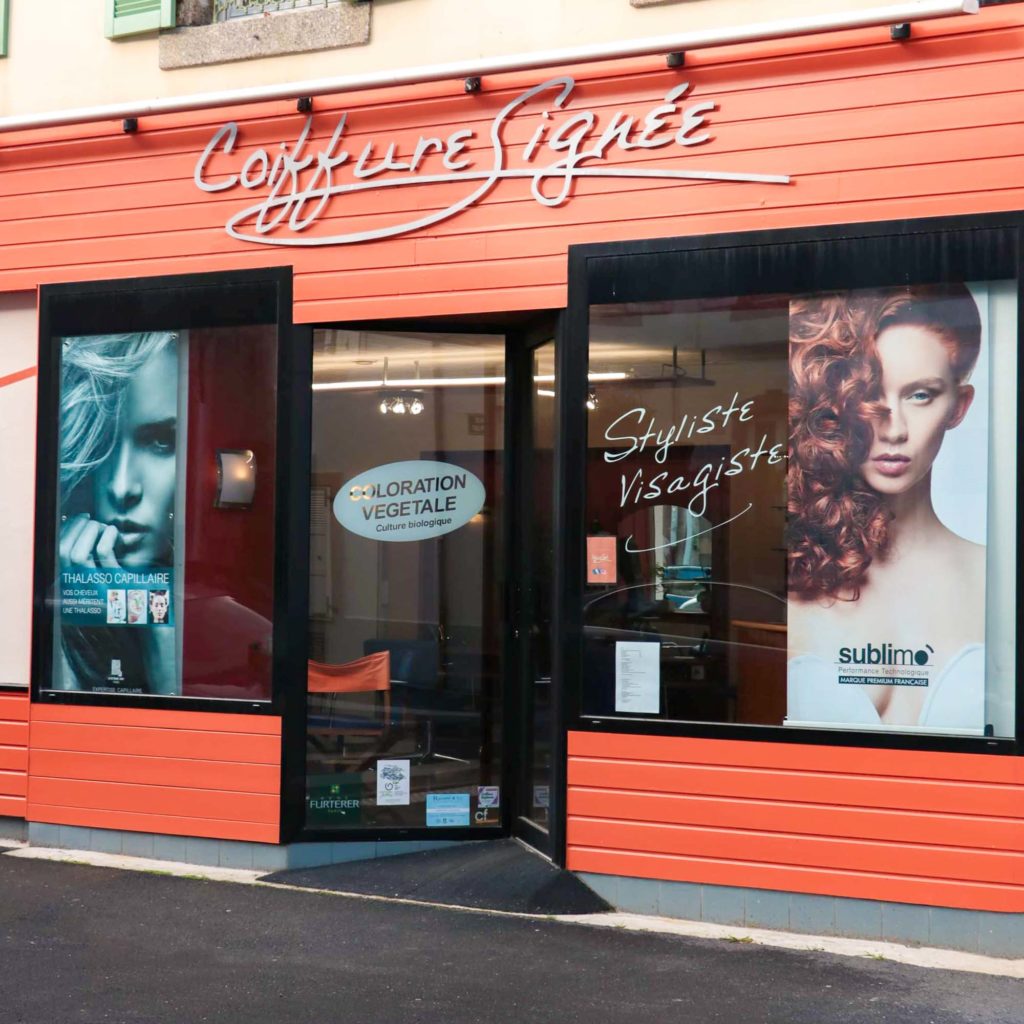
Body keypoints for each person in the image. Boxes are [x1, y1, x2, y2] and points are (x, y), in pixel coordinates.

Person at [786, 284, 985, 730]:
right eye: (868, 396)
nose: (893, 429)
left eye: (920, 395)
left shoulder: (999, 579)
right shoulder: (794, 573)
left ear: (959, 406)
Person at [55, 332, 180, 695]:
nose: (122, 486)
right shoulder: (38, 611)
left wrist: (156, 624)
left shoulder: (234, 619)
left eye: (162, 442)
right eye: (101, 444)